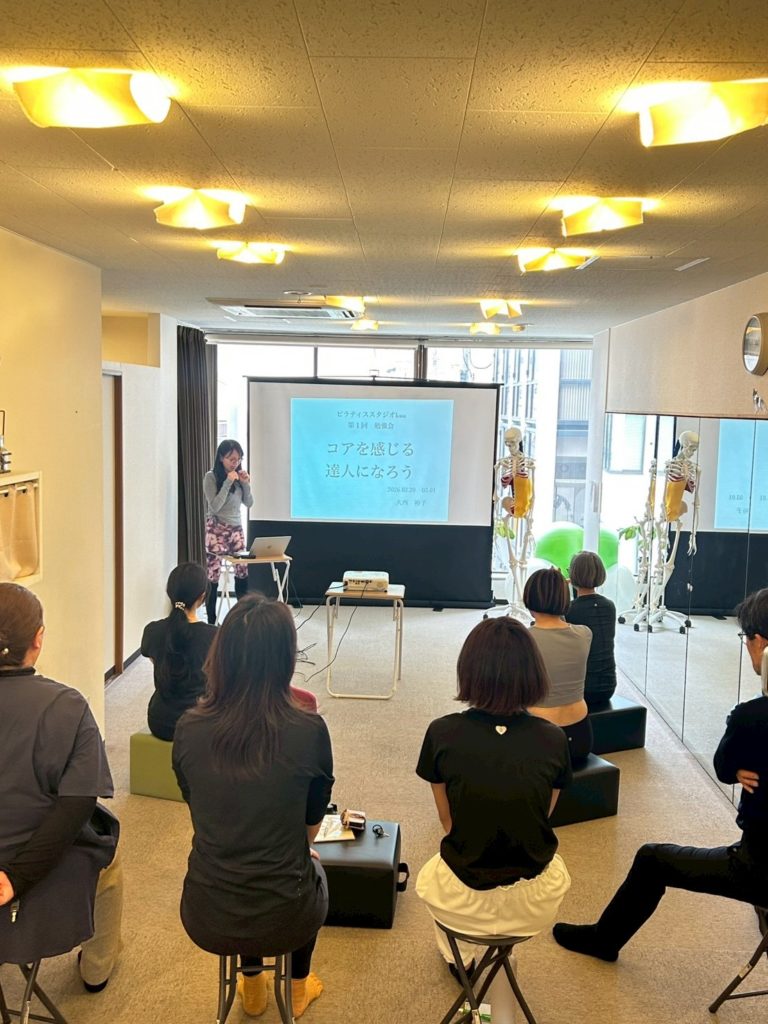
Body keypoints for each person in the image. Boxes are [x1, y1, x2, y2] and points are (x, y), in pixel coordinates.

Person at [553, 586, 768, 962]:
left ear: (760, 644)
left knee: (652, 859)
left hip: (759, 866)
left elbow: (723, 768)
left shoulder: (752, 717)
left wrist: (738, 767)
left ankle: (604, 941)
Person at [173, 594, 333, 1018]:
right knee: (314, 867)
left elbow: (198, 805)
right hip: (288, 912)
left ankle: (253, 982)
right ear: (285, 659)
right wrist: (300, 850)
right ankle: (296, 987)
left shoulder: (188, 728)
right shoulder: (309, 730)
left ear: (221, 655)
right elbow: (311, 823)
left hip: (207, 910)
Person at [415, 616, 572, 973]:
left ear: (468, 670)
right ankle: (500, 954)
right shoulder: (554, 739)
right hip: (535, 903)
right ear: (533, 673)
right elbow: (542, 816)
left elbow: (448, 822)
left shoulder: (441, 733)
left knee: (437, 872)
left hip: (460, 903)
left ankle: (461, 958)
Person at [0, 582, 122, 992]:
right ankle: (96, 970)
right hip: (44, 874)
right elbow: (76, 808)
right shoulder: (67, 706)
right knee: (110, 864)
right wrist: (16, 877)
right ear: (38, 639)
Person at [524, 567, 593, 765]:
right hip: (580, 738)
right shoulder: (584, 634)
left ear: (529, 598)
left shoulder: (523, 639)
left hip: (539, 739)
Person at [141, 562, 217, 740]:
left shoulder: (152, 631)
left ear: (169, 593)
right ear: (202, 596)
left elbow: (159, 661)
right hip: (198, 723)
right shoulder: (214, 636)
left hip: (159, 721)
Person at [203, 439, 254, 624]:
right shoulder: (211, 477)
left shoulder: (238, 477)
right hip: (216, 529)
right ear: (221, 458)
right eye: (231, 459)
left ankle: (242, 619)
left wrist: (245, 484)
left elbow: (249, 503)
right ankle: (211, 620)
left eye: (238, 459)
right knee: (213, 575)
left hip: (236, 529)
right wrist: (227, 482)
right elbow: (214, 506)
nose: (235, 463)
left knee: (242, 571)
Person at [565, 551, 617, 709]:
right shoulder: (609, 606)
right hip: (608, 686)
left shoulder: (569, 610)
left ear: (572, 575)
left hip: (581, 688)